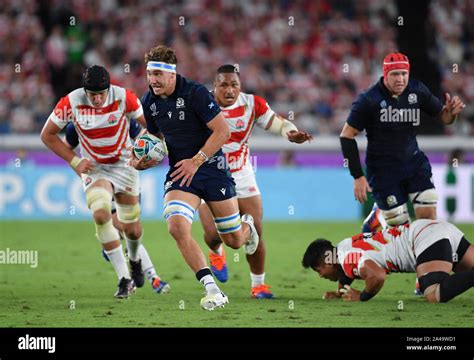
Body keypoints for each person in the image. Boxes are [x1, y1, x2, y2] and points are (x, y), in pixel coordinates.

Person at [129, 46, 259, 310]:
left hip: (212, 170)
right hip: (181, 172)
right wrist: (140, 160)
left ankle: (248, 227)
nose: (152, 80)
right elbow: (154, 138)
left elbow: (222, 132)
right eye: (149, 74)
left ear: (171, 73)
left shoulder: (195, 93)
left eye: (156, 74)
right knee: (176, 227)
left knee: (233, 240)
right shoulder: (149, 102)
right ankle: (213, 290)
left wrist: (196, 161)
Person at [198, 64, 312, 298]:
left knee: (256, 231)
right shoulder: (201, 104)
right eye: (224, 85)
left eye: (234, 85)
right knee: (211, 235)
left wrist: (290, 133)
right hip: (209, 174)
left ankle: (258, 284)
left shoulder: (252, 104)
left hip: (241, 174)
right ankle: (217, 250)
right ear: (214, 87)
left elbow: (278, 122)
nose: (229, 90)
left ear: (240, 86)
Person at [41, 65, 147, 298]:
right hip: (95, 167)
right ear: (85, 90)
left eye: (101, 94)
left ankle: (136, 260)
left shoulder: (124, 97)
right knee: (100, 214)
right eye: (93, 94)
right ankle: (123, 279)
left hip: (124, 165)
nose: (97, 99)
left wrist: (140, 150)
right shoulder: (71, 102)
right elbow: (47, 135)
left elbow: (151, 127)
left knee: (132, 227)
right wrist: (74, 161)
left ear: (109, 88)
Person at [340, 52, 466, 228]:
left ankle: (422, 253)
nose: (400, 79)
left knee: (428, 223)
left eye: (404, 73)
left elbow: (444, 117)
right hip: (383, 170)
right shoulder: (368, 99)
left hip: (414, 163)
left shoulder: (417, 90)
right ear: (385, 74)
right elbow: (347, 135)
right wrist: (357, 176)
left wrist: (451, 114)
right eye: (395, 74)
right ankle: (378, 216)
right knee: (400, 231)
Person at [63, 122, 170, 294]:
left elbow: (142, 140)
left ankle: (134, 266)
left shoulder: (123, 115)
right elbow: (67, 149)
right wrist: (84, 174)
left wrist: (145, 156)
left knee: (130, 231)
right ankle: (148, 278)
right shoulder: (75, 123)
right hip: (100, 179)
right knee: (118, 226)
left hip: (125, 178)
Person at [302, 219, 474, 303]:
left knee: (433, 295)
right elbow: (346, 274)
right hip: (435, 228)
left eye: (319, 270)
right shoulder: (343, 247)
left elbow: (378, 276)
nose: (320, 276)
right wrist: (340, 293)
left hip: (423, 239)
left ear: (328, 262)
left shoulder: (347, 259)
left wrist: (362, 296)